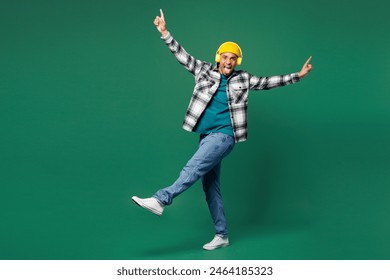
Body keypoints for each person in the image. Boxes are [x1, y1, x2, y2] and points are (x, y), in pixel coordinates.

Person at [132, 9, 313, 250]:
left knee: (193, 167)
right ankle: (222, 234)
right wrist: (165, 33)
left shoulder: (243, 78)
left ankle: (161, 200)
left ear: (237, 61)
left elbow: (268, 82)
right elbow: (182, 55)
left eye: (233, 58)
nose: (228, 62)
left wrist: (297, 76)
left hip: (225, 135)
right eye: (225, 57)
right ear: (218, 57)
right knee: (210, 186)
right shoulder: (203, 70)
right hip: (206, 136)